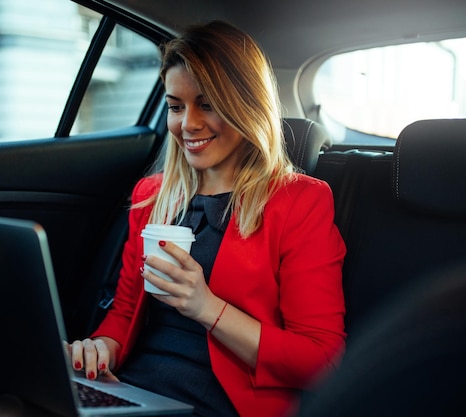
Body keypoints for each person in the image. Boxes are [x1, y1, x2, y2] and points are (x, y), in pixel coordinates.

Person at [68, 20, 346, 417]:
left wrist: (206, 307)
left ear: (246, 105)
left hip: (218, 404)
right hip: (133, 392)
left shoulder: (299, 201)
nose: (188, 124)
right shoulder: (152, 196)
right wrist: (99, 349)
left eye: (207, 104)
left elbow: (322, 361)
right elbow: (125, 313)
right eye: (176, 106)